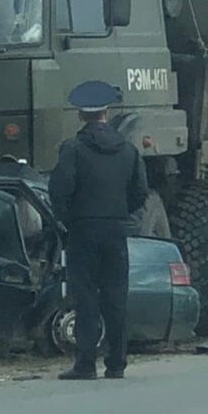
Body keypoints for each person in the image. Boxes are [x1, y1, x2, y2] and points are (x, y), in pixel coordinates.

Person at [49, 80, 149, 379]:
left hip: (83, 230)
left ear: (81, 114)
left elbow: (59, 191)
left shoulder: (73, 149)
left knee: (86, 297)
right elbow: (140, 192)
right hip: (116, 230)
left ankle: (85, 363)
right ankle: (117, 363)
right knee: (116, 296)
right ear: (107, 111)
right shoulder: (128, 151)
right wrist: (120, 214)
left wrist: (67, 219)